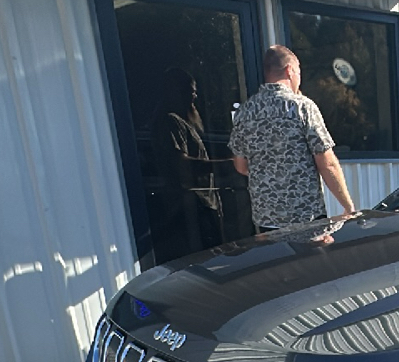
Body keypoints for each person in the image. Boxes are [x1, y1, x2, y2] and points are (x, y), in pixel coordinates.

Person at [230, 45, 356, 232]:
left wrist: (269, 175)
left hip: (266, 221)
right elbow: (327, 163)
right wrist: (348, 208)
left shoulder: (244, 112)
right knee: (310, 262)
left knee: (277, 262)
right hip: (306, 219)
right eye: (298, 72)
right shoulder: (302, 107)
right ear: (290, 70)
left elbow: (240, 166)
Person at [149, 68, 224, 264]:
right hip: (190, 208)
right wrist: (224, 166)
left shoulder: (183, 122)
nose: (194, 96)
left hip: (203, 205)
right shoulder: (169, 121)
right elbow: (181, 165)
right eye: (190, 91)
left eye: (194, 91)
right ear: (174, 92)